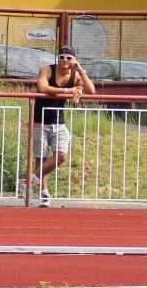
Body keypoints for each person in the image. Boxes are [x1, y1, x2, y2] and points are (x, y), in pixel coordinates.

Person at [25, 44, 96, 207]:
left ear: (74, 60)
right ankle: (44, 193)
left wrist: (81, 70)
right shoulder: (47, 70)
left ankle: (29, 181)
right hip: (40, 119)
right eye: (62, 57)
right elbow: (42, 87)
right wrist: (67, 91)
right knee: (41, 158)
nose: (64, 60)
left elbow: (91, 90)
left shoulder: (75, 75)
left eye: (68, 58)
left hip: (59, 121)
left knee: (62, 155)